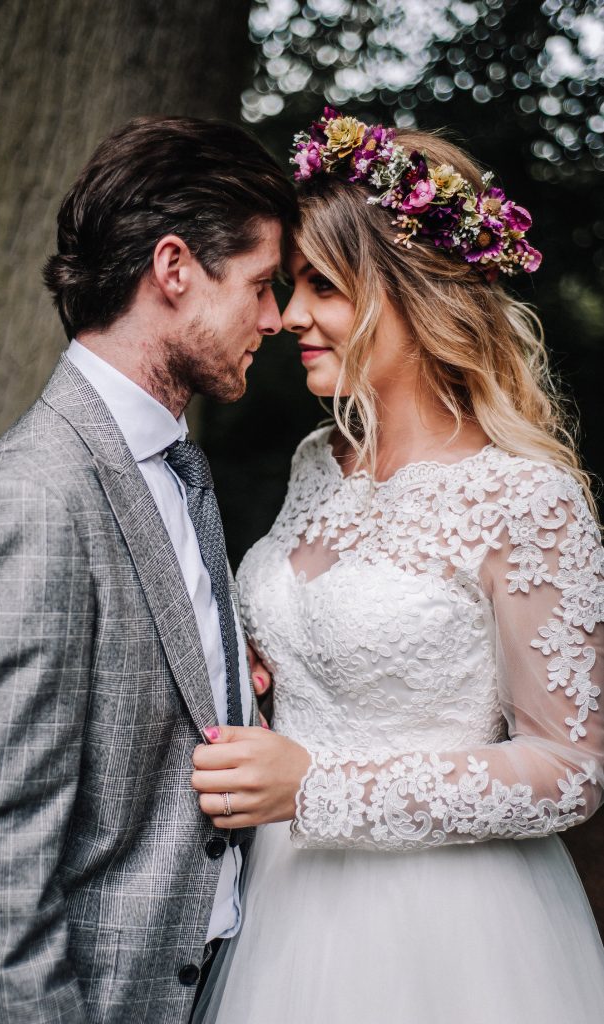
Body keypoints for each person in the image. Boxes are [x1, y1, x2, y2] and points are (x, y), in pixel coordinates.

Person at [190, 109, 604, 1022]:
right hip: (277, 905)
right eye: (291, 286)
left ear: (409, 295)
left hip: (444, 929)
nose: (290, 314)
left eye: (322, 288)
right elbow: (306, 640)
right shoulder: (316, 460)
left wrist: (319, 787)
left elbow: (571, 768)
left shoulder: (523, 498)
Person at [0, 115, 296, 1024]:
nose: (276, 318)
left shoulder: (174, 462)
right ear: (173, 269)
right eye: (258, 285)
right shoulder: (37, 499)